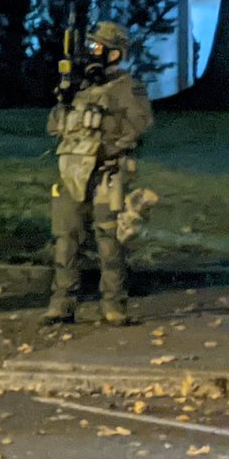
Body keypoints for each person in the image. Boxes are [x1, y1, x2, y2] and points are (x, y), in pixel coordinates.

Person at [44, 21, 153, 326]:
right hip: (71, 172)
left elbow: (139, 126)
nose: (92, 53)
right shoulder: (78, 86)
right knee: (66, 238)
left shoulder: (128, 89)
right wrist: (64, 101)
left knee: (109, 240)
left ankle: (113, 304)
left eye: (98, 48)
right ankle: (62, 302)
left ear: (115, 54)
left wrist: (111, 141)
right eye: (91, 47)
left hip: (106, 174)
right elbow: (54, 127)